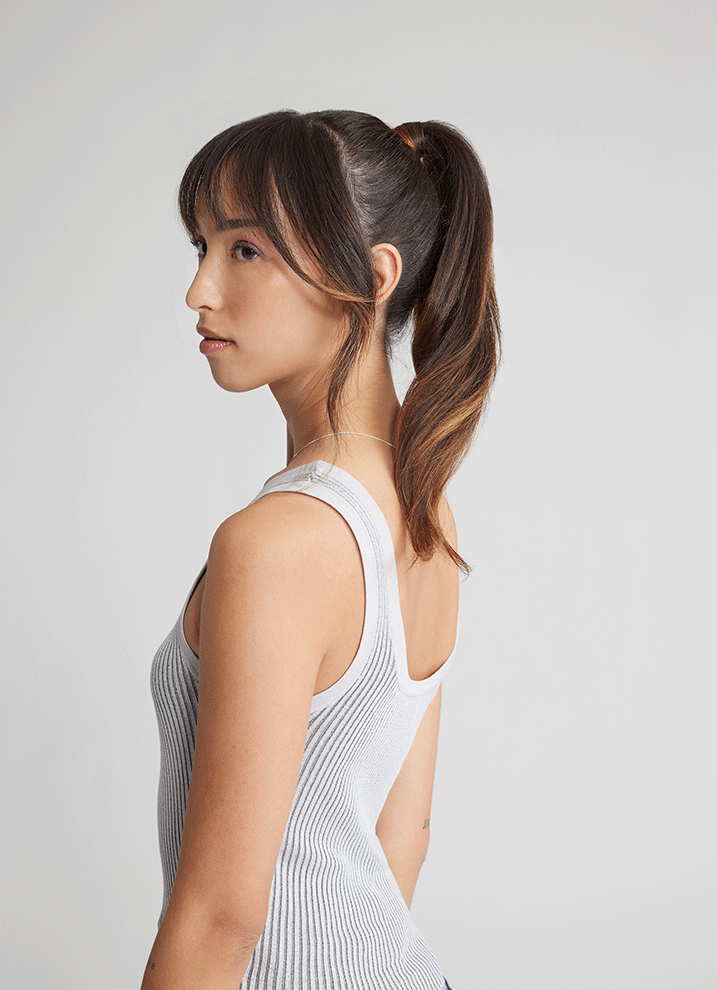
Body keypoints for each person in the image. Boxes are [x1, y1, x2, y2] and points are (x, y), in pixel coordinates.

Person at [143, 109, 501, 990]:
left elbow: (220, 919)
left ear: (372, 277)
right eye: (201, 245)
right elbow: (402, 841)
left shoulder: (279, 544)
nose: (199, 290)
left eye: (246, 250)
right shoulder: (426, 513)